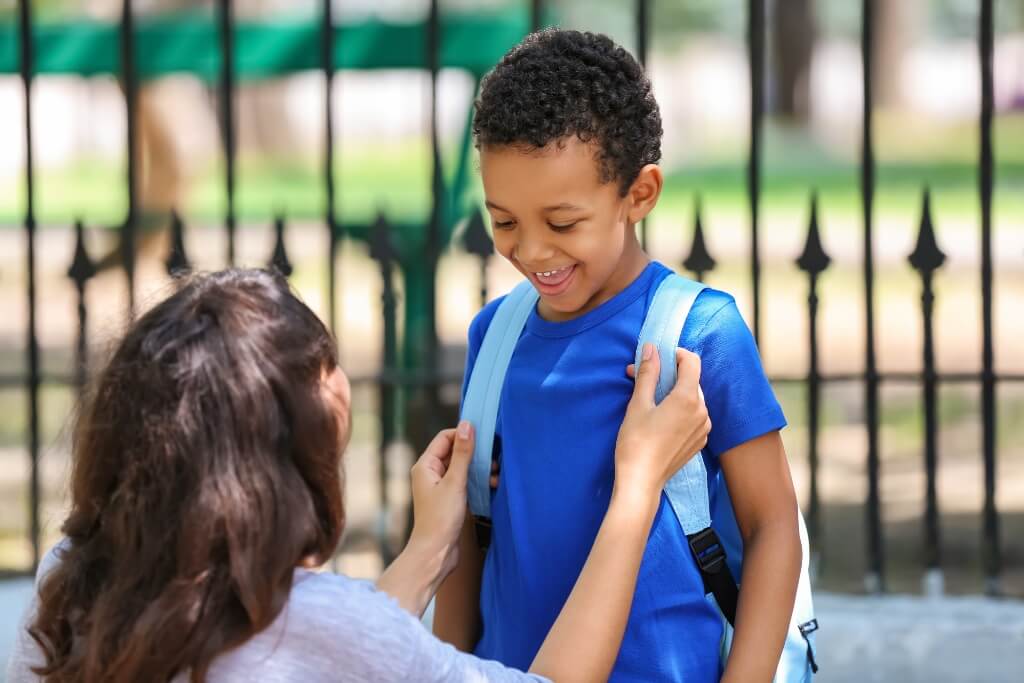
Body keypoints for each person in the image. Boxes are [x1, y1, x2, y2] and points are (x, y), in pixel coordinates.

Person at [6, 268, 711, 683]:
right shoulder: (314, 618)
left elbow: (330, 646)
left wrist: (431, 548)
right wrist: (638, 485)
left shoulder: (69, 582)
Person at [433, 29, 802, 682]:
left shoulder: (700, 332)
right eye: (505, 221)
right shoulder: (493, 338)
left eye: (563, 223)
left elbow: (773, 528)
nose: (534, 252)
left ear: (639, 193)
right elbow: (468, 535)